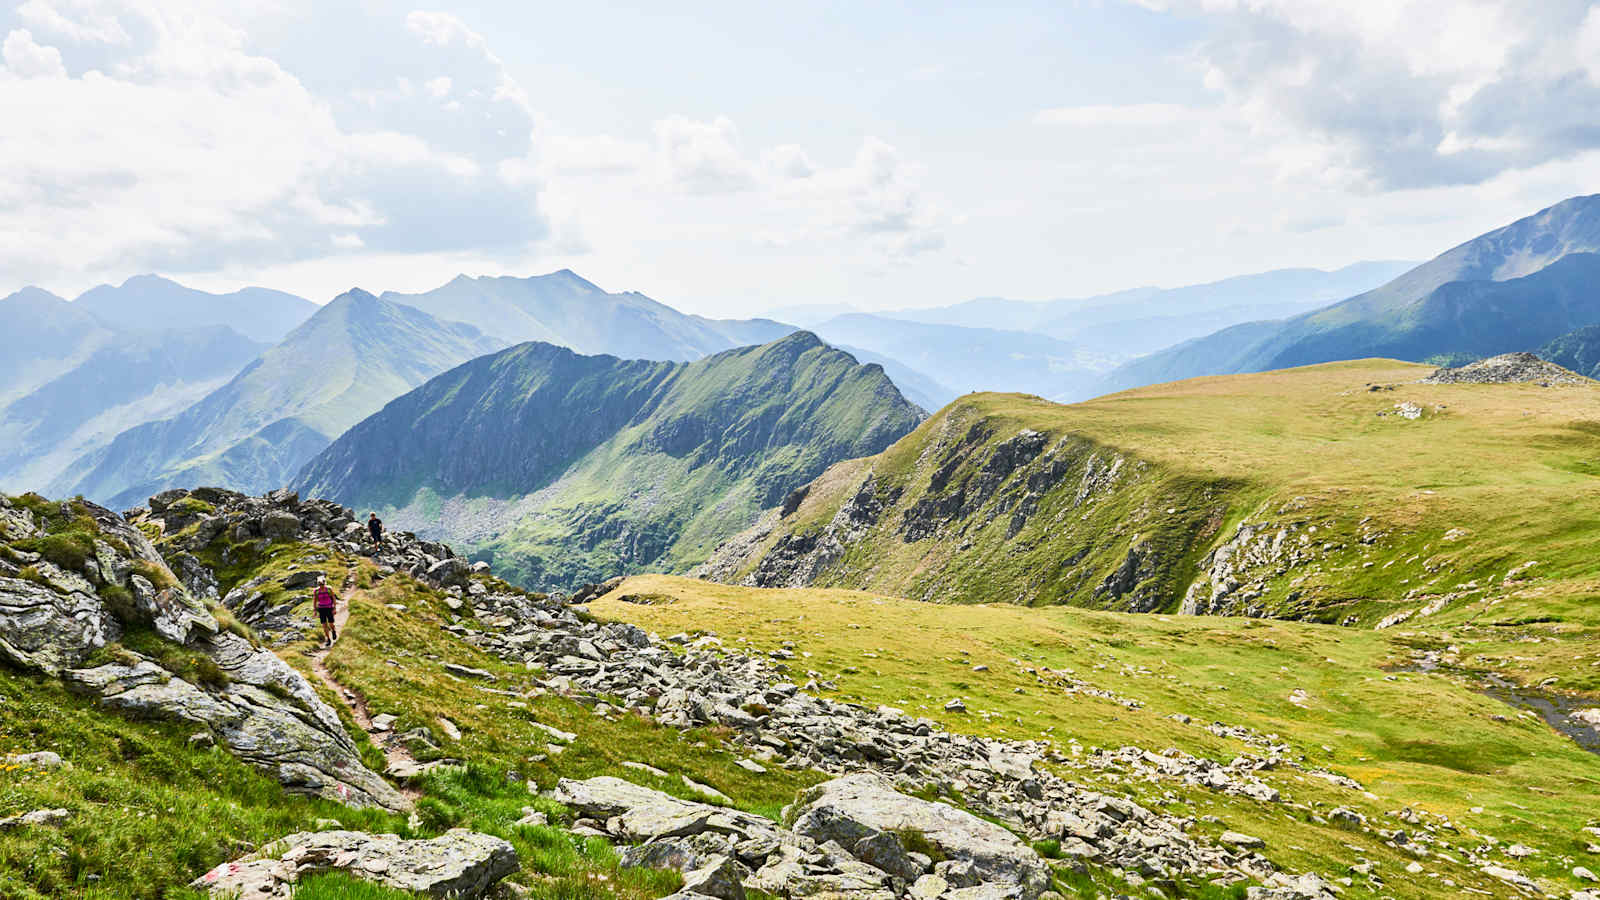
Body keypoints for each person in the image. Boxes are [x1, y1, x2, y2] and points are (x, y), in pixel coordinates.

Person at [314, 576, 339, 647]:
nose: (321, 585)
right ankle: (328, 639)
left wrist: (334, 608)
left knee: (331, 623)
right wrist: (315, 610)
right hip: (321, 609)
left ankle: (333, 631)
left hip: (329, 608)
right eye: (320, 584)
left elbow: (333, 598)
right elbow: (315, 601)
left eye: (322, 584)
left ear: (324, 583)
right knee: (324, 625)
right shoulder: (316, 591)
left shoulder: (329, 589)